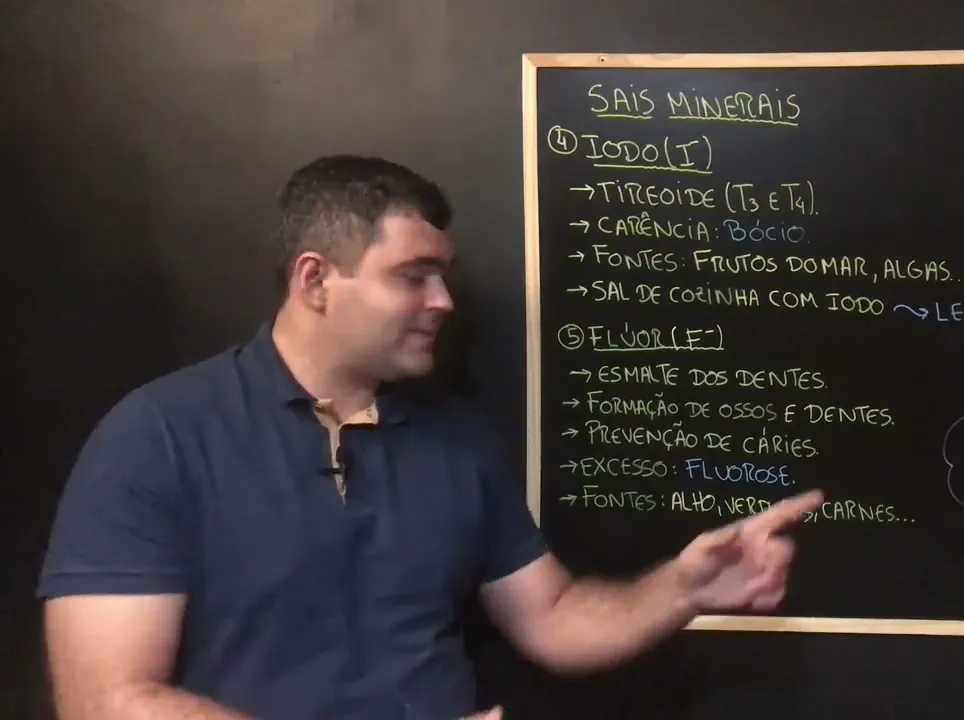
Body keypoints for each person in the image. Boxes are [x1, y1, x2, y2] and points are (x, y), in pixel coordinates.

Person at [37, 155, 824, 720]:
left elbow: (552, 617)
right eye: (413, 276)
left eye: (443, 275)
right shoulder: (159, 435)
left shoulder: (457, 438)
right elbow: (108, 700)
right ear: (315, 279)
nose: (443, 300)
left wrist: (682, 590)